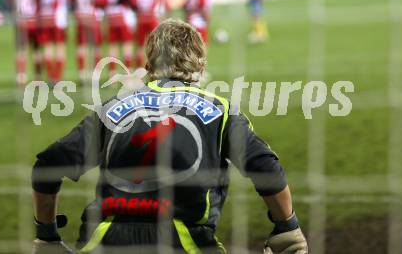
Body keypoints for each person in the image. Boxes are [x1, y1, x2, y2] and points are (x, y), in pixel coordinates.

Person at [31, 19, 308, 253]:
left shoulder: (111, 108)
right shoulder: (220, 111)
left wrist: (47, 235)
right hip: (183, 241)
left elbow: (47, 165)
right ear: (200, 66)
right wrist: (288, 228)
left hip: (104, 240)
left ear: (149, 63)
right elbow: (266, 168)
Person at [38, 0, 73, 84]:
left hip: (45, 17)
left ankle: (50, 76)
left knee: (47, 47)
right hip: (58, 18)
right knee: (60, 47)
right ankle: (57, 76)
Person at [7, 0, 42, 86]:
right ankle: (38, 77)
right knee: (36, 49)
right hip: (33, 21)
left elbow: (9, 0)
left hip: (20, 21)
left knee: (20, 50)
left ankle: (20, 77)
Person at [103, 0, 136, 75]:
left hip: (111, 13)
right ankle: (128, 73)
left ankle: (112, 74)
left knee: (113, 45)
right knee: (127, 44)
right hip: (123, 13)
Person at [73, 0, 105, 83]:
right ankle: (95, 74)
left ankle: (82, 73)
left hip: (81, 14)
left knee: (81, 45)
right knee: (95, 45)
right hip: (92, 15)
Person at [135, 0, 170, 68]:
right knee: (157, 45)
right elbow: (163, 0)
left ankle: (139, 71)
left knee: (140, 46)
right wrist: (165, 16)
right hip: (153, 17)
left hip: (141, 16)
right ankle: (156, 70)